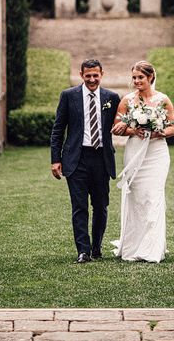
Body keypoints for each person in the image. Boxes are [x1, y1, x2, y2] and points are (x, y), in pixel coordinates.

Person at [51, 58, 121, 263]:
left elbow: (123, 123)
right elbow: (58, 129)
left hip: (102, 158)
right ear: (81, 75)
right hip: (76, 159)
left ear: (102, 74)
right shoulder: (68, 96)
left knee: (101, 206)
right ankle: (83, 250)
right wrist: (55, 159)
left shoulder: (111, 97)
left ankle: (96, 247)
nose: (92, 79)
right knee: (79, 207)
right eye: (88, 75)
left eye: (95, 75)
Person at [111, 60, 174, 262]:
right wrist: (132, 129)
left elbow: (172, 128)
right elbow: (116, 127)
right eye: (134, 77)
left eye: (141, 77)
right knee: (137, 197)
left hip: (156, 154)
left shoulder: (163, 100)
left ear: (151, 78)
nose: (137, 81)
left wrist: (159, 132)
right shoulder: (127, 100)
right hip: (135, 151)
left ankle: (152, 248)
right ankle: (133, 247)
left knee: (153, 196)